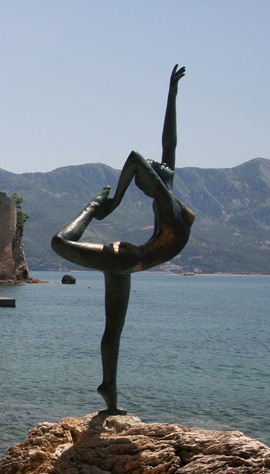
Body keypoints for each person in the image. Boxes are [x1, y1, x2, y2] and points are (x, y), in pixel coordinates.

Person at [51, 65, 194, 415]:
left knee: (114, 331)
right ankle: (91, 206)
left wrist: (172, 94)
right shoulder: (166, 203)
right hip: (128, 258)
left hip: (130, 261)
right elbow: (135, 158)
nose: (162, 165)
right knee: (60, 242)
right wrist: (108, 204)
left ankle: (109, 394)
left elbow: (168, 143)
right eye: (157, 170)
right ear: (152, 184)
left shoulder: (168, 198)